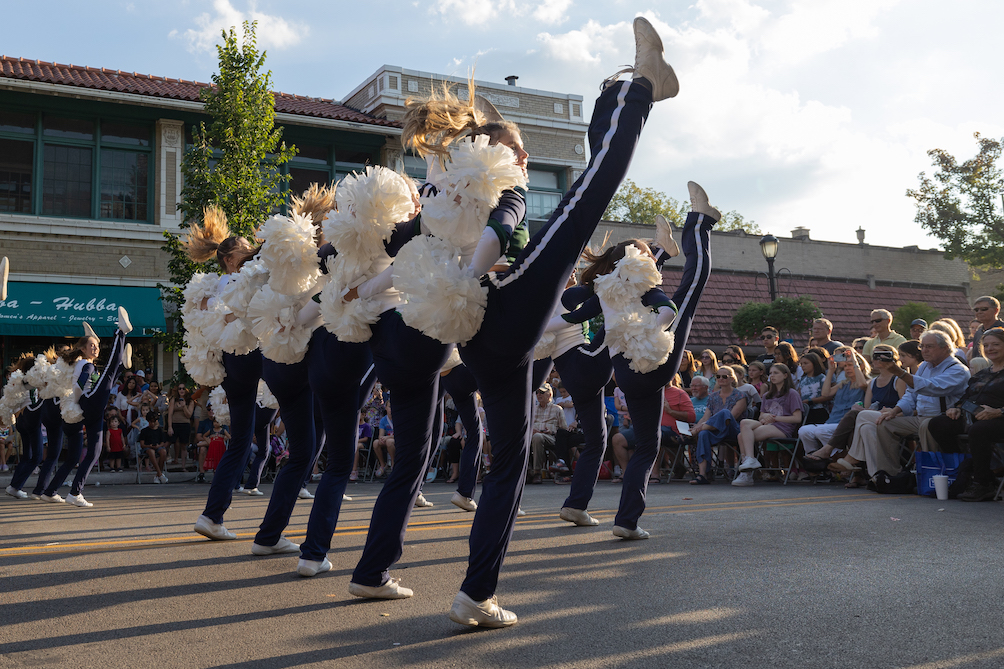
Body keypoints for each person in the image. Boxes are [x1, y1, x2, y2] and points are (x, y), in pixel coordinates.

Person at [352, 16, 681, 627]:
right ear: (503, 155)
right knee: (587, 196)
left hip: (482, 344)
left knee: (508, 464)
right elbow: (484, 236)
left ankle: (478, 596)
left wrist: (359, 290)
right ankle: (640, 89)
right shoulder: (501, 191)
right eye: (521, 150)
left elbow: (402, 254)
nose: (527, 159)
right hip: (500, 310)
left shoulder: (443, 196)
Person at [848, 331, 970, 476]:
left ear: (945, 348)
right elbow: (911, 394)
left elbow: (931, 387)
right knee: (885, 423)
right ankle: (889, 475)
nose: (924, 350)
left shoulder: (957, 369)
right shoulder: (925, 366)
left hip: (944, 419)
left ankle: (932, 473)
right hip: (920, 418)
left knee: (927, 425)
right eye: (922, 346)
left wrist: (899, 373)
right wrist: (895, 411)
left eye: (929, 346)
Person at [41, 312, 132, 507]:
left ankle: (75, 492)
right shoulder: (85, 365)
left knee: (95, 452)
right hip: (88, 401)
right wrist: (75, 400)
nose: (96, 348)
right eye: (92, 345)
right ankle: (120, 333)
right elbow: (80, 385)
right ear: (82, 349)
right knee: (108, 373)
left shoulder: (83, 363)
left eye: (97, 346)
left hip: (91, 409)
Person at [927, 327, 1004, 501]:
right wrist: (956, 407)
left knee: (979, 430)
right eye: (987, 345)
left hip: (998, 419)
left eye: (996, 344)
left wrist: (998, 412)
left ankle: (983, 483)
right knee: (938, 424)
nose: (990, 348)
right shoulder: (983, 373)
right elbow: (967, 396)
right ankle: (964, 469)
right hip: (973, 416)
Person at [732, 363, 803, 487]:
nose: (772, 376)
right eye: (771, 373)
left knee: (741, 436)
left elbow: (797, 418)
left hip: (783, 428)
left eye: (776, 373)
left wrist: (775, 418)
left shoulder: (792, 393)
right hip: (768, 425)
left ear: (785, 375)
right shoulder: (767, 395)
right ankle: (749, 462)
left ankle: (747, 472)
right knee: (743, 425)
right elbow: (761, 416)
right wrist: (766, 417)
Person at [796, 346, 869, 456]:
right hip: (832, 421)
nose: (847, 369)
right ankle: (817, 460)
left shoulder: (868, 383)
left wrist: (854, 359)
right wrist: (830, 371)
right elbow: (825, 394)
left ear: (859, 366)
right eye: (845, 366)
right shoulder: (843, 384)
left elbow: (862, 384)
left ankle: (837, 456)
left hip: (846, 424)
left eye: (850, 365)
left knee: (821, 431)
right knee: (804, 431)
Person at [690, 366, 748, 484]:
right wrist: (697, 427)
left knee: (725, 412)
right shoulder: (713, 397)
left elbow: (732, 417)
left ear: (732, 379)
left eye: (724, 376)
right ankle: (703, 475)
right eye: (718, 376)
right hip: (715, 430)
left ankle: (704, 428)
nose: (721, 379)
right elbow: (705, 417)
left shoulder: (740, 396)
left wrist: (704, 426)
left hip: (734, 430)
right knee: (703, 434)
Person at [166, 384, 194, 471]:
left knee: (183, 446)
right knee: (167, 443)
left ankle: (183, 466)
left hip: (185, 424)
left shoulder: (190, 401)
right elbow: (170, 414)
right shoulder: (173, 400)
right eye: (179, 389)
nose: (181, 390)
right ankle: (162, 463)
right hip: (174, 424)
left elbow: (189, 415)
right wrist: (170, 427)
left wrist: (184, 406)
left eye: (183, 388)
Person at [798, 352, 830, 425]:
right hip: (806, 411)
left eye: (806, 363)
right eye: (801, 364)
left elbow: (827, 396)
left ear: (814, 363)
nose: (803, 366)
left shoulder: (821, 378)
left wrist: (810, 401)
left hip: (819, 410)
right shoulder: (803, 379)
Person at [968, 296, 1004, 362]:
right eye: (976, 310)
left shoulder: (1002, 330)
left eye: (984, 309)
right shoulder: (978, 332)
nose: (979, 312)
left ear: (996, 310)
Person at [140, 411, 170, 482]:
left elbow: (163, 442)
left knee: (163, 451)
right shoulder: (144, 431)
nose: (153, 424)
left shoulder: (159, 430)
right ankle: (160, 474)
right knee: (151, 451)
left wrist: (158, 445)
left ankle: (158, 474)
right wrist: (149, 446)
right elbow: (142, 445)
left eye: (154, 422)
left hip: (158, 446)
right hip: (148, 448)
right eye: (151, 422)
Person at [373, 405, 395, 478]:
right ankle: (382, 465)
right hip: (386, 439)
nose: (390, 409)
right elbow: (381, 435)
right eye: (389, 407)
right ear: (386, 408)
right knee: (376, 443)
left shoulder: (398, 418)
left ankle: (393, 464)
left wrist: (387, 437)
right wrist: (381, 438)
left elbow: (399, 434)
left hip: (395, 439)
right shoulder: (383, 420)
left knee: (389, 442)